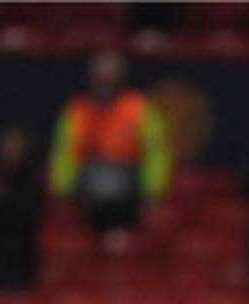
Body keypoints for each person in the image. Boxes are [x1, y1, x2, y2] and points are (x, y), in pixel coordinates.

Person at [49, 51, 171, 233]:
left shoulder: (139, 108)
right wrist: (64, 190)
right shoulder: (77, 111)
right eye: (100, 80)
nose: (104, 85)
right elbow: (64, 153)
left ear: (121, 80)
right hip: (86, 196)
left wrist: (152, 193)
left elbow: (156, 153)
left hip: (130, 194)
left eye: (110, 80)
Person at [0, 125, 43, 289]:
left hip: (21, 257)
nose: (10, 151)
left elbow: (28, 214)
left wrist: (1, 204)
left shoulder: (32, 180)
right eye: (7, 146)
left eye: (15, 146)